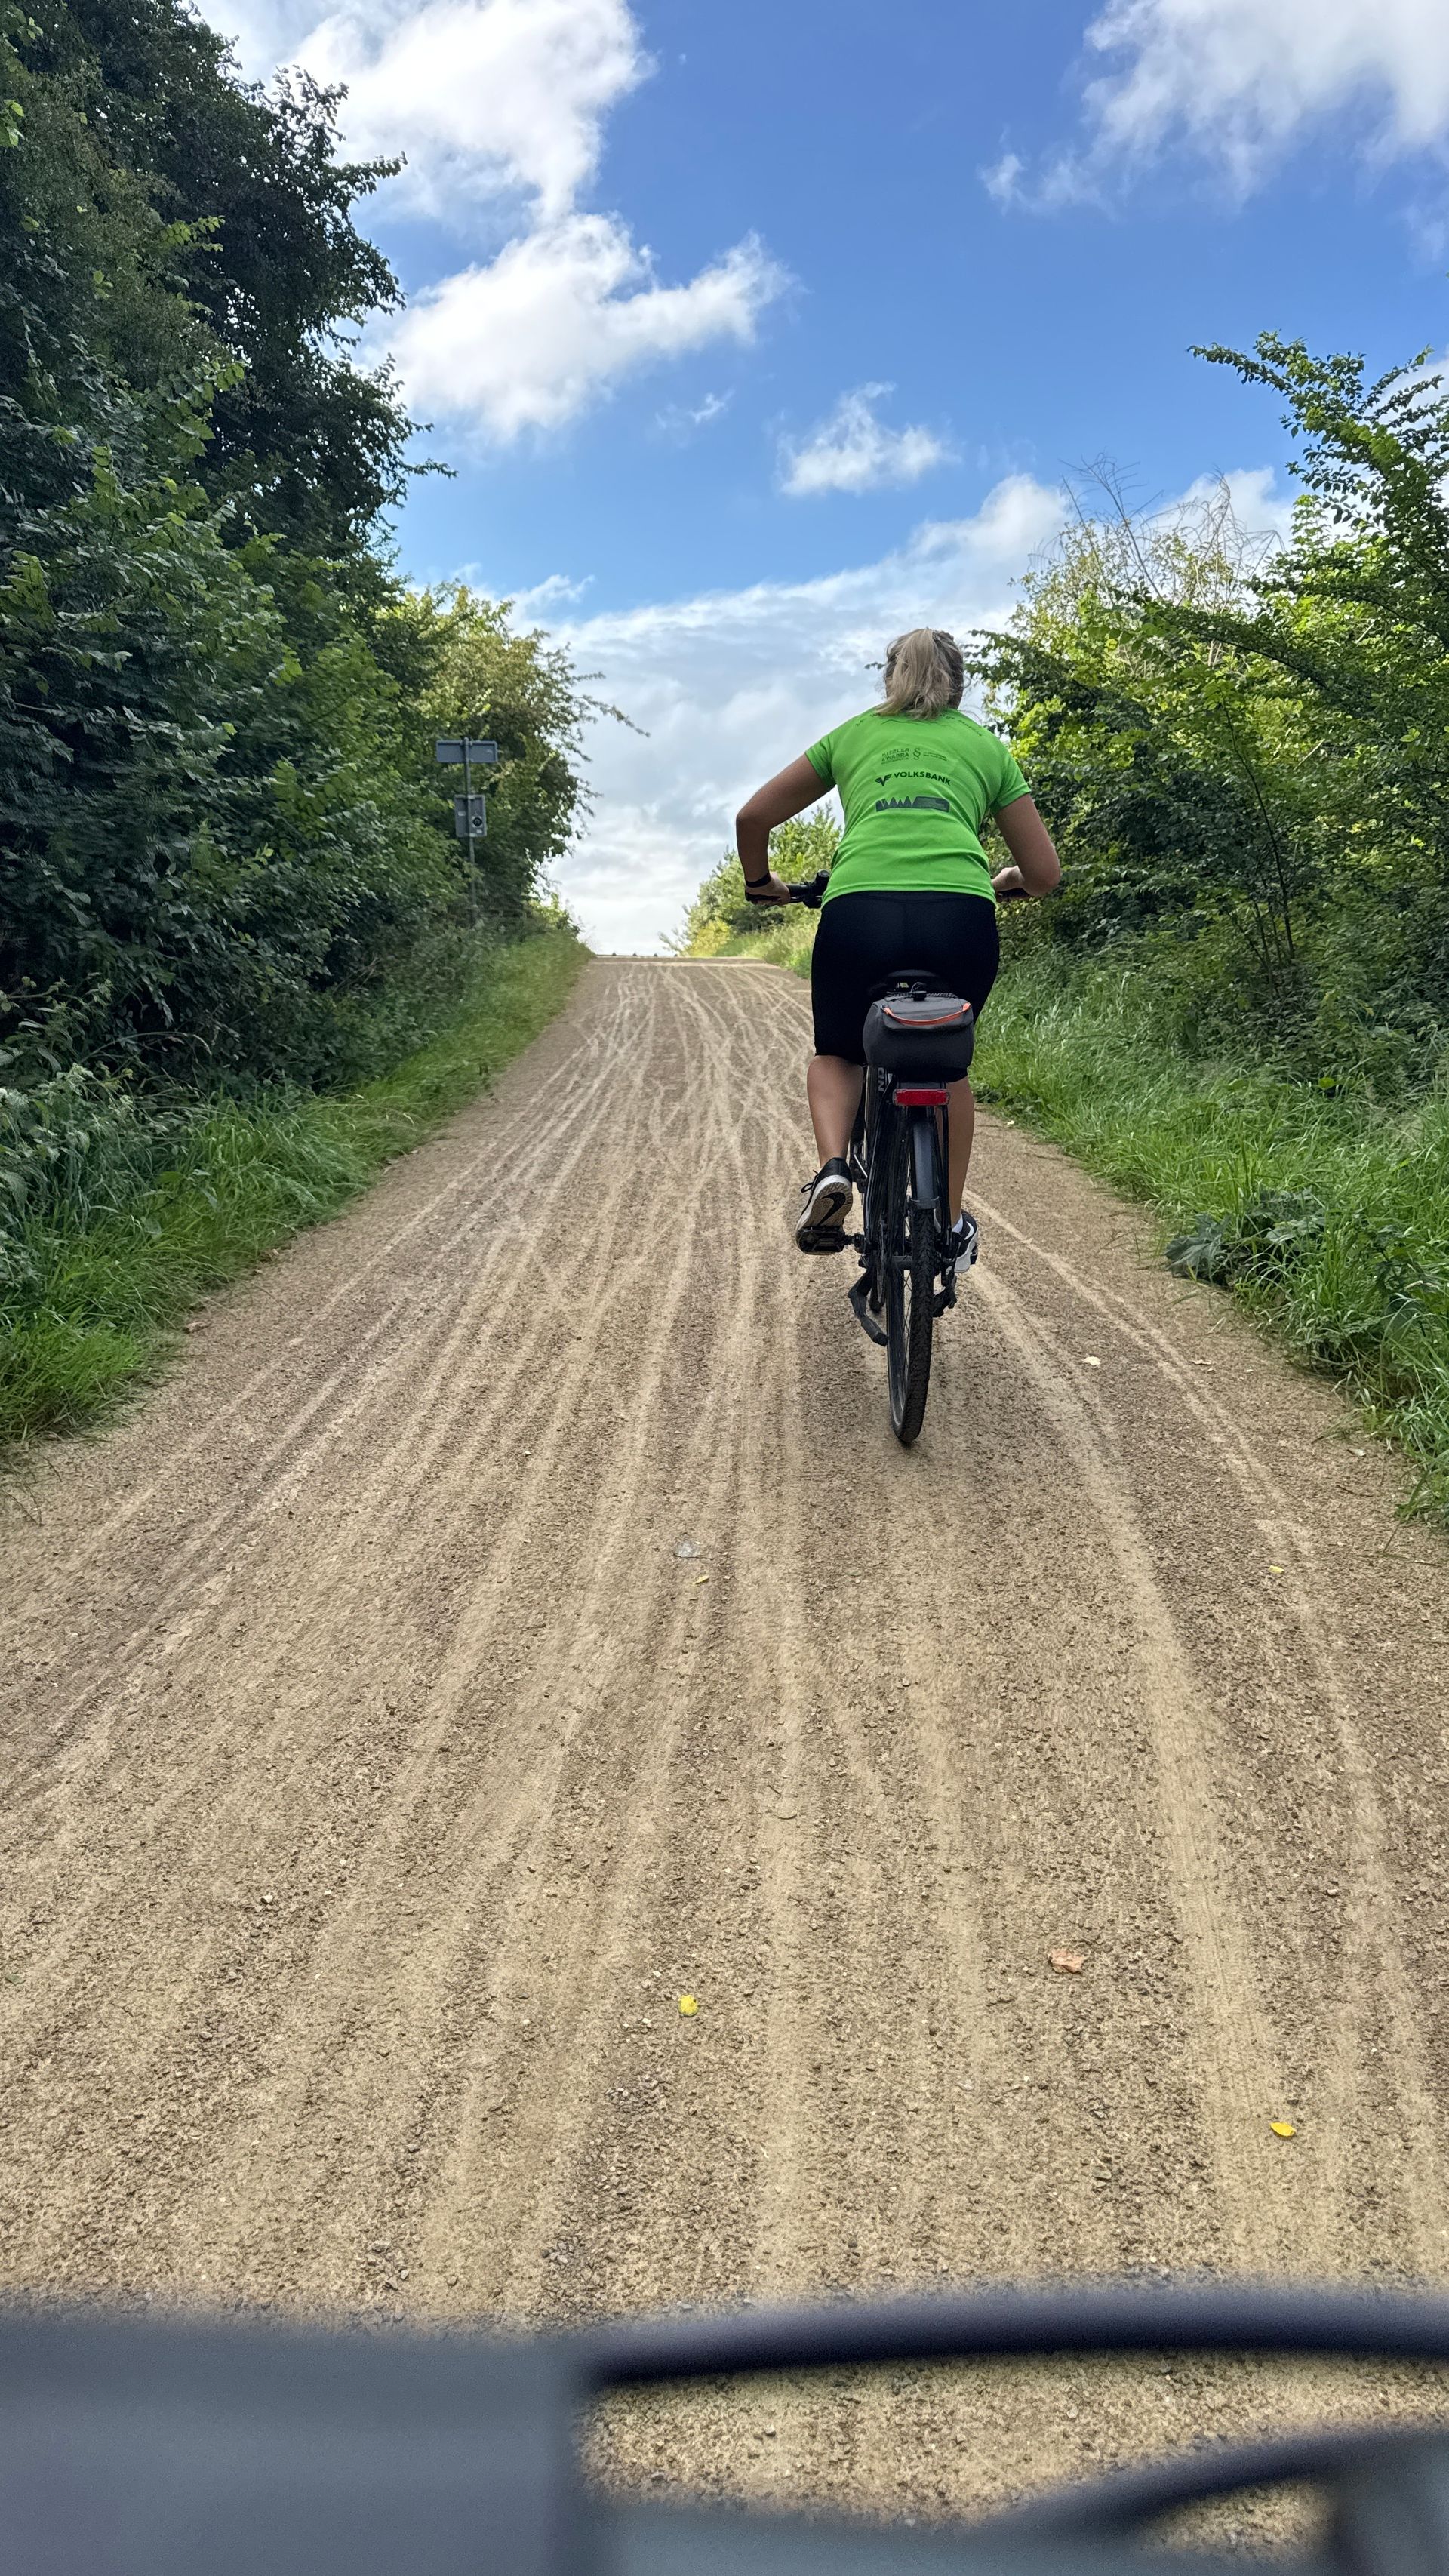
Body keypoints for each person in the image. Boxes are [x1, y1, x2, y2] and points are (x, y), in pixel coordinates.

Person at [734, 627, 1062, 1257]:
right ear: (958, 685)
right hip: (959, 917)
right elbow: (1045, 873)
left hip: (860, 914)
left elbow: (752, 817)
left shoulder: (853, 735)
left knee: (838, 1051)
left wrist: (760, 883)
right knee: (948, 1062)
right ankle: (950, 1222)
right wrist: (1005, 882)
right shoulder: (984, 746)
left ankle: (833, 1169)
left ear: (889, 678)